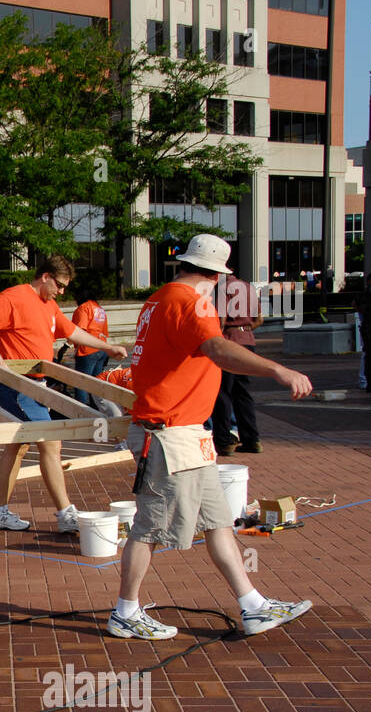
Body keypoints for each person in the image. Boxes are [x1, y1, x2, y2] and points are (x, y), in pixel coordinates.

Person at [108, 234, 314, 641]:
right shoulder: (192, 302)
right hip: (169, 434)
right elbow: (218, 349)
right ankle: (125, 612)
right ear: (217, 276)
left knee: (218, 523)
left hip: (186, 433)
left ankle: (253, 605)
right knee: (150, 527)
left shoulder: (160, 299)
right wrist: (277, 369)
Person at [0, 255, 128, 532]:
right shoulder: (15, 297)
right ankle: (66, 514)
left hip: (34, 386)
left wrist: (107, 347)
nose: (62, 291)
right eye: (60, 285)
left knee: (17, 446)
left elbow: (72, 331)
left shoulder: (48, 305)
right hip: (19, 386)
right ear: (45, 277)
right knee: (51, 442)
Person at [211, 274, 264, 454]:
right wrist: (244, 329)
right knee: (243, 392)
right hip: (248, 341)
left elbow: (221, 320)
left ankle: (223, 440)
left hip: (229, 341)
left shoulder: (223, 289)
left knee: (222, 392)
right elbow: (260, 320)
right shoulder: (248, 287)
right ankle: (251, 439)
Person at [69, 289, 110, 406]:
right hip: (101, 347)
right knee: (96, 383)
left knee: (81, 382)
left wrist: (68, 344)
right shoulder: (99, 309)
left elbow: (80, 330)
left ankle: (81, 409)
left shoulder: (83, 308)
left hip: (88, 348)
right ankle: (96, 408)